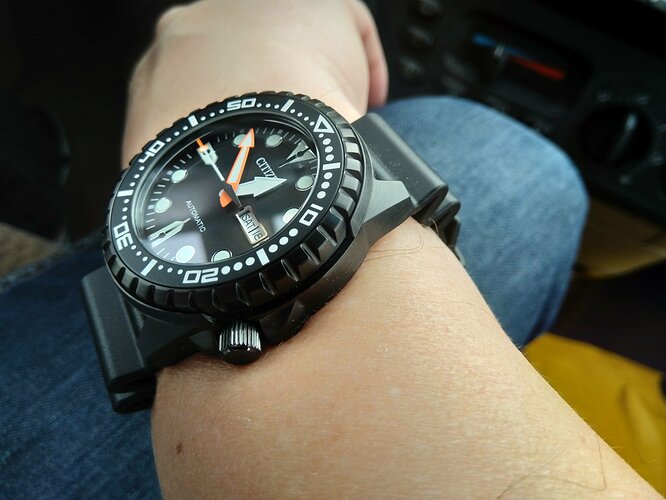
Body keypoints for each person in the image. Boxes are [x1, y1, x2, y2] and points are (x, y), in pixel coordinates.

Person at [0, 0, 660, 498]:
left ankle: (34, 172)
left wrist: (212, 86)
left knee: (517, 167)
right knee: (527, 168)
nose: (229, 195)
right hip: (180, 252)